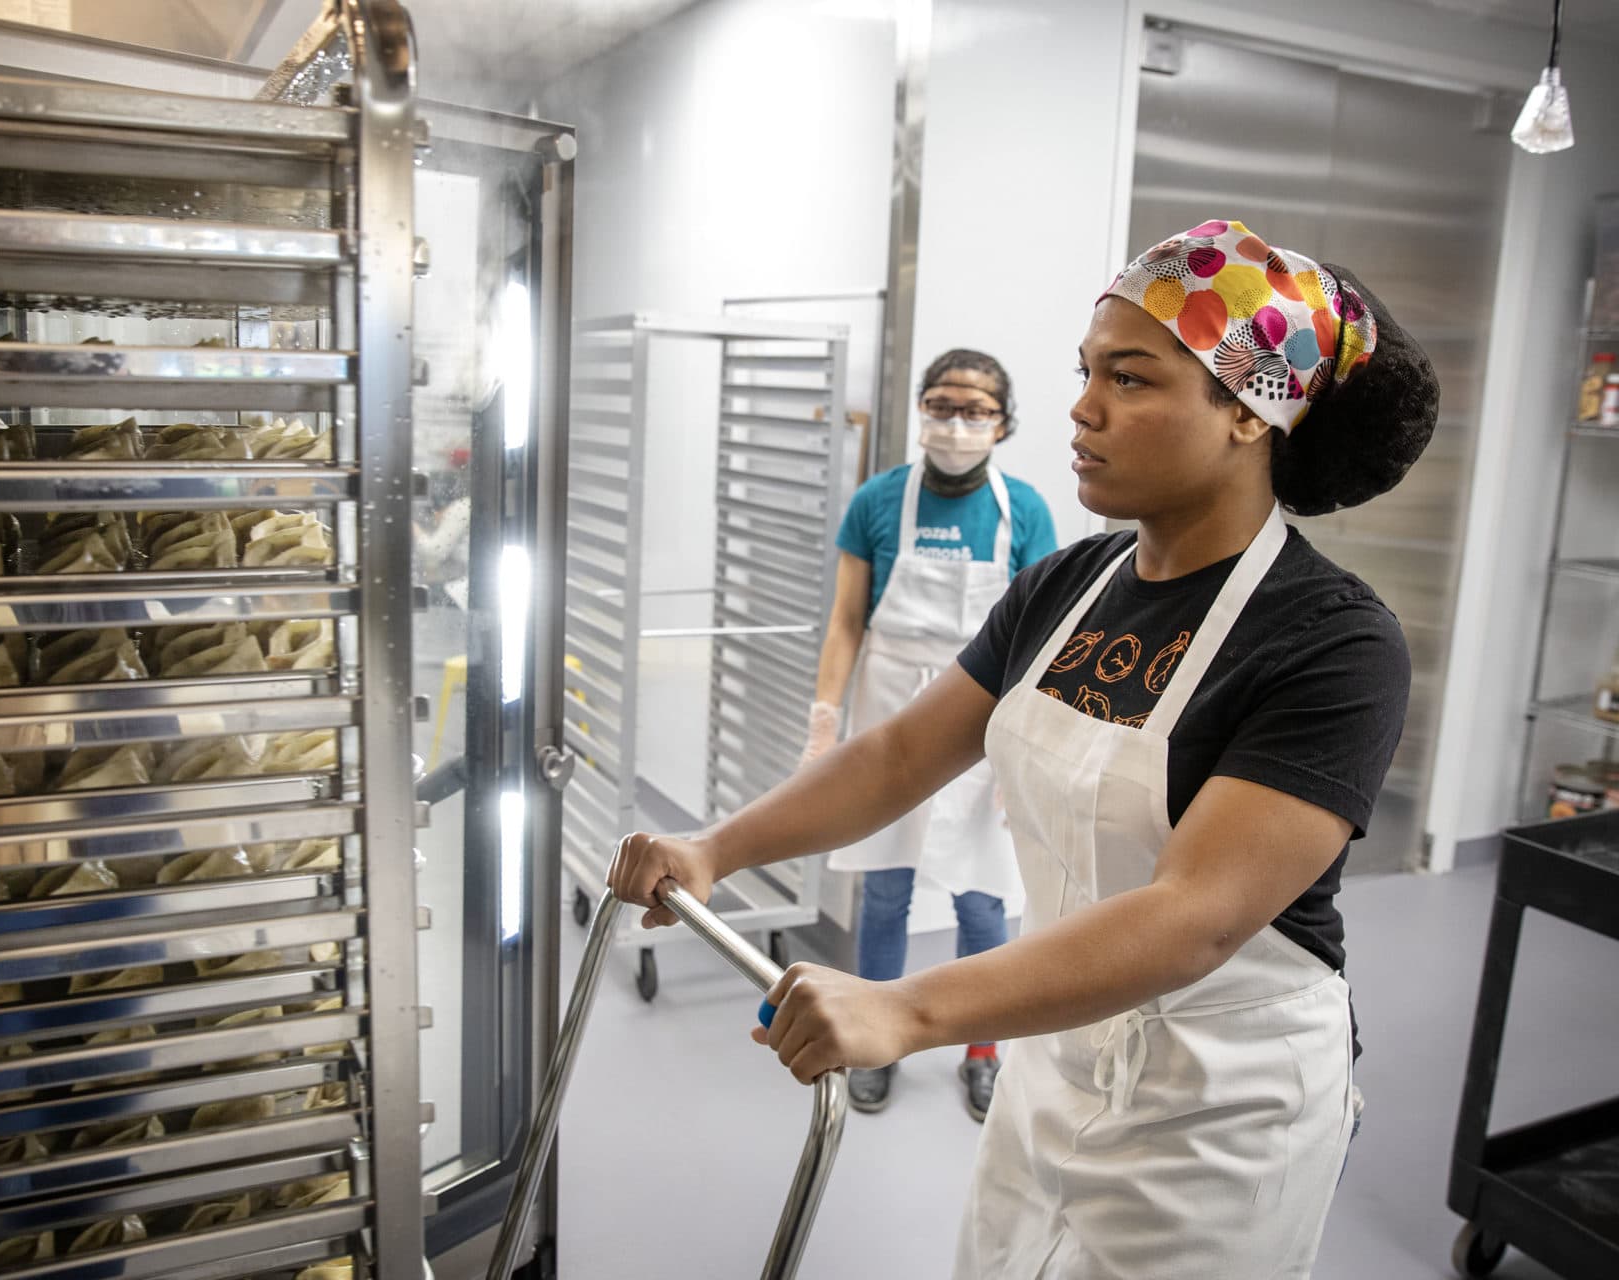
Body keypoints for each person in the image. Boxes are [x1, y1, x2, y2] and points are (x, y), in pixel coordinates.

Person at [611, 219, 1437, 1277]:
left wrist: (909, 1005)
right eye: (1086, 372)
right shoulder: (1070, 585)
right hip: (1064, 1049)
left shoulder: (1332, 637)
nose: (1083, 408)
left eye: (1130, 379)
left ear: (1247, 407)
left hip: (1222, 1104)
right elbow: (900, 756)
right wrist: (714, 847)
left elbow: (1196, 915)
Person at [803, 349, 1057, 1120]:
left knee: (983, 896)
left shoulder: (1026, 511)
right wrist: (824, 721)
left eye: (975, 410)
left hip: (985, 718)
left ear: (1003, 423)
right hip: (889, 706)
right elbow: (848, 622)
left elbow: (1040, 641)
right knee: (886, 885)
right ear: (920, 410)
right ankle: (873, 1037)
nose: (956, 422)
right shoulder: (878, 502)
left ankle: (983, 1049)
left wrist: (1027, 754)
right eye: (942, 405)